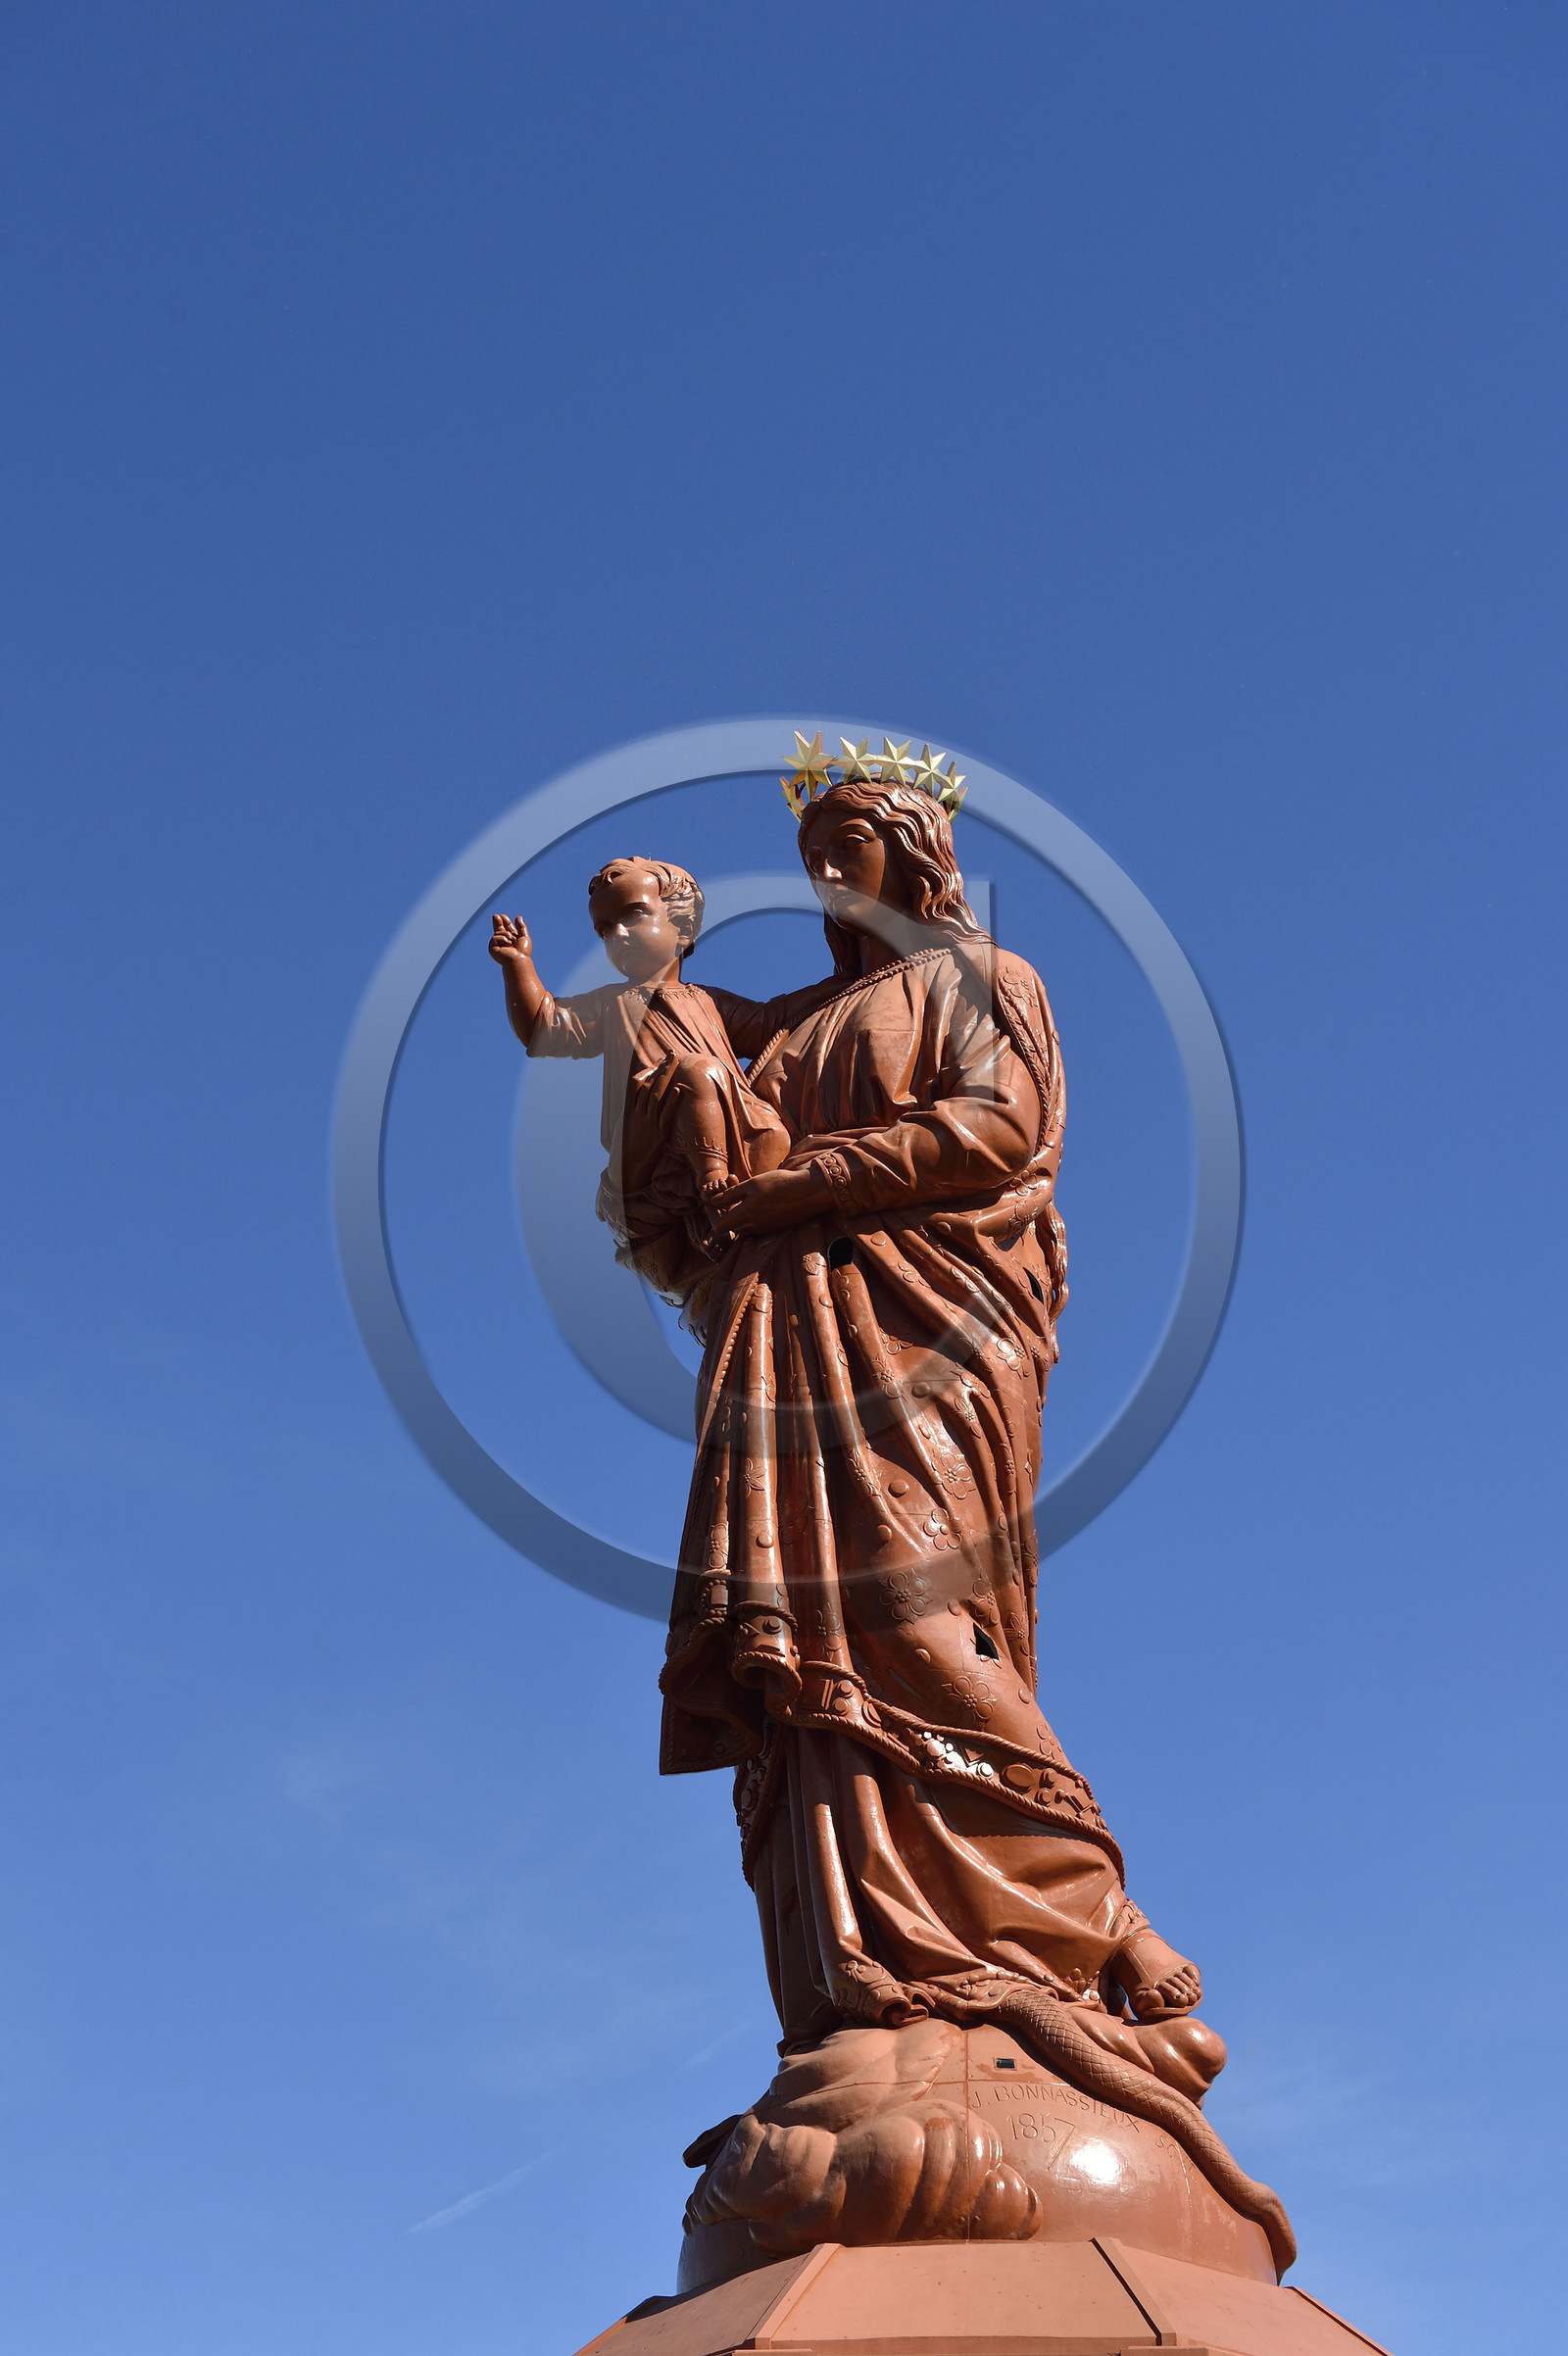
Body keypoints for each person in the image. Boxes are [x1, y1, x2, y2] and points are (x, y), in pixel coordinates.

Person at [656, 777, 1223, 2106]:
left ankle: (1096, 1919)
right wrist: (643, 969)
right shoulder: (795, 1020)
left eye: (847, 843)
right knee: (805, 1655)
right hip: (789, 1336)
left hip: (930, 1326)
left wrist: (800, 1179)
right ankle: (866, 1974)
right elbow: (681, 1053)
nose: (824, 872)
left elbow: (997, 1128)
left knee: (911, 1608)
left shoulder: (983, 978)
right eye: (809, 853)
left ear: (915, 853)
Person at [490, 856, 834, 1303]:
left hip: (718, 1116)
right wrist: (518, 965)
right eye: (605, 929)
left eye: (633, 915)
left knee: (769, 1128)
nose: (618, 934)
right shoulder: (613, 1003)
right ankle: (712, 1178)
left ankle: (737, 1212)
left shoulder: (708, 1001)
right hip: (647, 1128)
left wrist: (843, 983)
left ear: (684, 926)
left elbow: (774, 1019)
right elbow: (544, 1025)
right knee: (696, 1071)